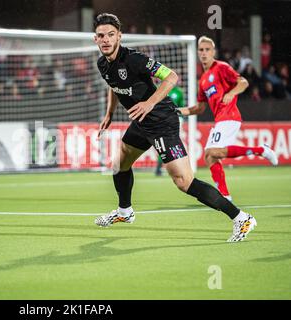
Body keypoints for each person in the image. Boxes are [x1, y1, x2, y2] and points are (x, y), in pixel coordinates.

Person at [93, 13, 257, 242]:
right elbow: (114, 85)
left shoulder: (135, 59)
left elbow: (171, 76)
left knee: (183, 181)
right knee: (119, 162)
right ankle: (124, 212)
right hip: (142, 121)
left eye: (111, 35)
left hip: (161, 121)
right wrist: (109, 113)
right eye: (102, 36)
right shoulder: (103, 64)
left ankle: (241, 217)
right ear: (96, 39)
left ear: (119, 36)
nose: (106, 40)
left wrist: (149, 103)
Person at [178, 36, 278, 201]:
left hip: (230, 116)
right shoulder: (203, 80)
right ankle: (225, 195)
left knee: (213, 152)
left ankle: (261, 150)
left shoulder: (221, 67)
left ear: (213, 52)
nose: (204, 53)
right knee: (209, 156)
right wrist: (177, 111)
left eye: (207, 50)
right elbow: (200, 108)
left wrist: (231, 93)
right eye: (201, 50)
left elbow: (243, 82)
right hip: (220, 119)